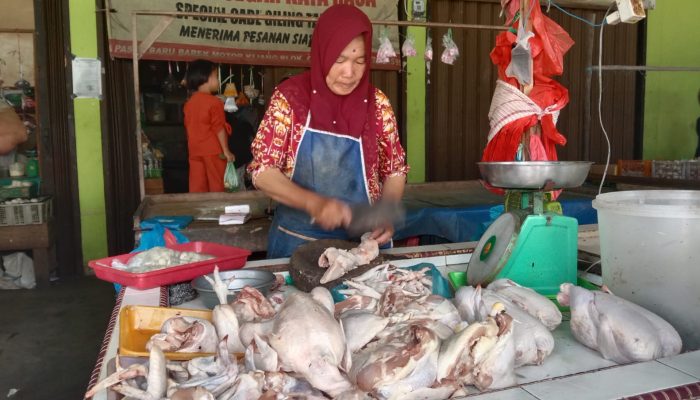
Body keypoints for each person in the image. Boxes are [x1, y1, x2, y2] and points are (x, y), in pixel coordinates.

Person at [248, 5, 409, 258]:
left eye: (359, 61)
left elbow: (395, 170)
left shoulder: (378, 104)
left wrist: (385, 213)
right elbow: (263, 171)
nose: (349, 73)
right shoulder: (290, 99)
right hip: (298, 243)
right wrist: (314, 203)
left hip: (364, 245)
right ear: (322, 53)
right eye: (339, 60)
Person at [184, 59, 234, 192]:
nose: (218, 81)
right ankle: (218, 211)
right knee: (217, 184)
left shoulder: (189, 103)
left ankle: (199, 211)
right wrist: (226, 151)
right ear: (207, 78)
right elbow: (219, 128)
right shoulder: (214, 102)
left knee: (197, 186)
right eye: (216, 76)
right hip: (213, 151)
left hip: (194, 150)